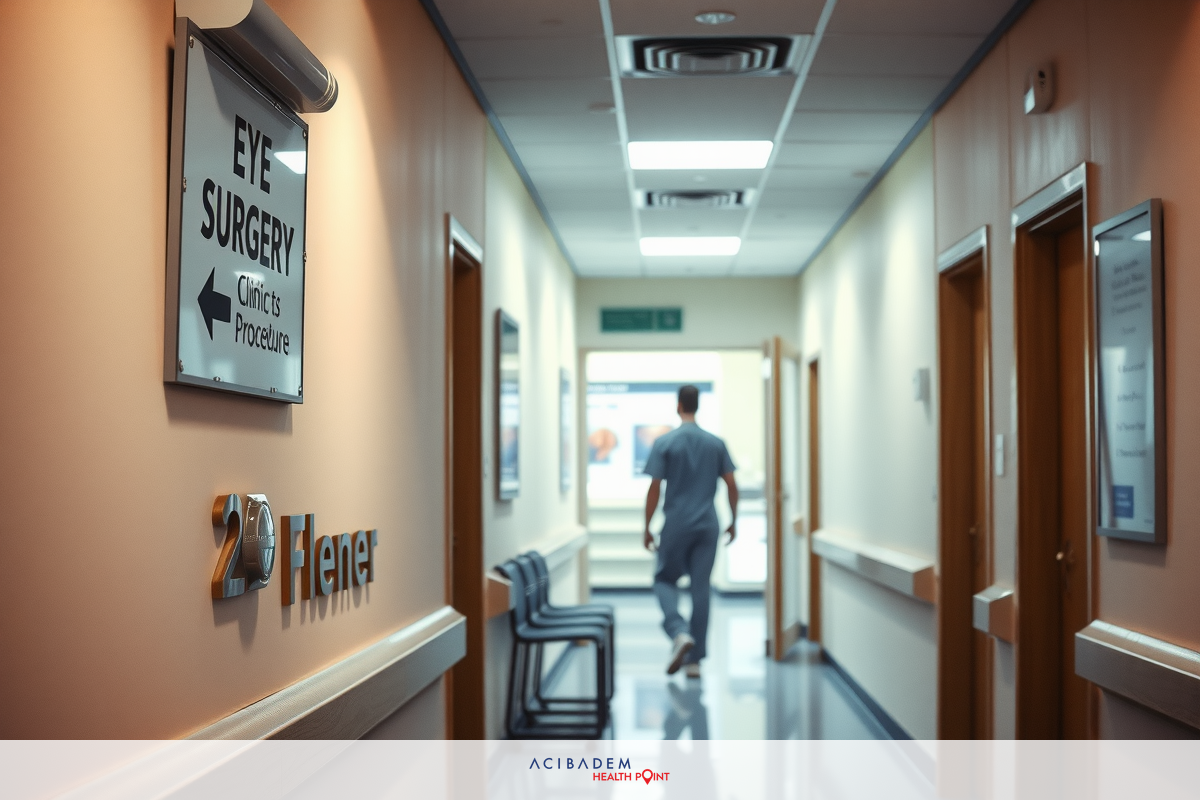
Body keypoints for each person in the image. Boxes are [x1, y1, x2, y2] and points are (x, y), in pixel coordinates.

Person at [642, 384, 738, 679]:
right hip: (708, 524)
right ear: (698, 405)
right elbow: (732, 486)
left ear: (678, 405)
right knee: (701, 588)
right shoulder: (715, 443)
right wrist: (734, 520)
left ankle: (679, 632)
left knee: (663, 578)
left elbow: (655, 488)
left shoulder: (665, 443)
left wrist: (646, 526)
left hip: (676, 524)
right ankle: (695, 661)